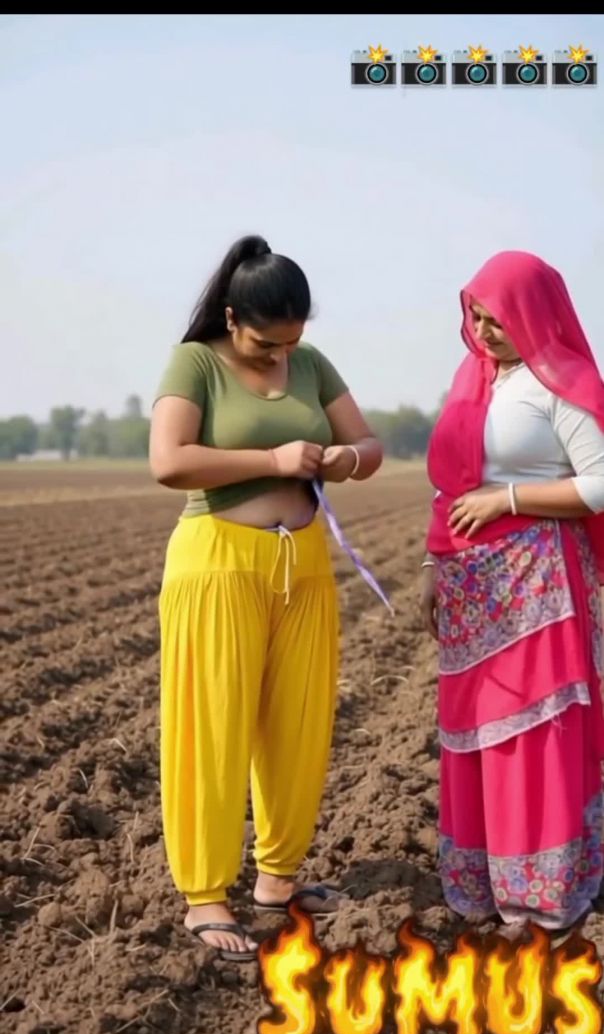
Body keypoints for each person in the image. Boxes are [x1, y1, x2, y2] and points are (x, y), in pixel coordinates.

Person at [149, 235, 383, 960]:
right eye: (265, 342)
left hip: (303, 565)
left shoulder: (310, 364)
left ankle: (278, 880)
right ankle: (205, 894)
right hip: (217, 564)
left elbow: (369, 446)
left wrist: (345, 458)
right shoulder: (195, 363)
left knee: (299, 725)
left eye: (291, 339)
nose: (280, 352)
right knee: (212, 727)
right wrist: (272, 459)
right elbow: (169, 461)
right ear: (231, 318)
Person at [421, 250, 604, 937]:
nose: (483, 331)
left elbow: (600, 482)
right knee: (479, 730)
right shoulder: (471, 383)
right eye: (475, 316)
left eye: (497, 319)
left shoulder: (564, 381)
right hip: (472, 587)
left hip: (540, 583)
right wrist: (433, 565)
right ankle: (484, 885)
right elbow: (448, 486)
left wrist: (509, 499)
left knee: (535, 729)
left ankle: (540, 896)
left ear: (533, 315)